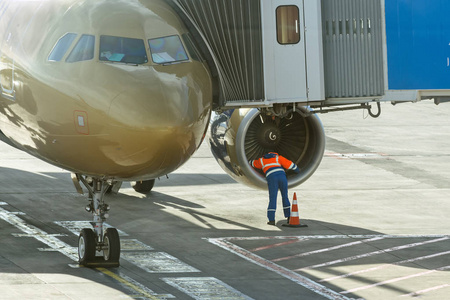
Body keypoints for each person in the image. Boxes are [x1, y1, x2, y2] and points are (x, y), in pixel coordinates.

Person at [249, 152, 300, 225]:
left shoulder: (261, 160)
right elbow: (290, 164)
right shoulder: (278, 157)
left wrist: (248, 161)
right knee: (285, 197)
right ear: (274, 154)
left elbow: (253, 163)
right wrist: (297, 170)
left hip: (272, 177)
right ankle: (289, 217)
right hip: (282, 176)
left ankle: (271, 220)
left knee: (273, 198)